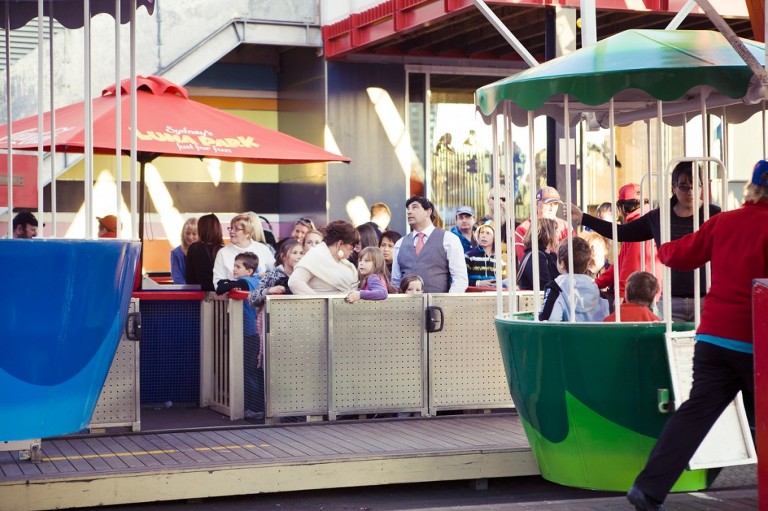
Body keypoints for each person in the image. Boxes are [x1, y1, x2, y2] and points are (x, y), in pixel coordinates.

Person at [627, 160, 768, 511]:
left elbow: (681, 254)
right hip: (756, 344)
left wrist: (662, 247)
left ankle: (647, 488)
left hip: (713, 340)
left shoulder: (723, 221)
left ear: (752, 188)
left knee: (693, 416)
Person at [571, 161, 721, 322]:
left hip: (706, 297)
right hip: (671, 300)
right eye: (684, 186)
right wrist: (584, 218)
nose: (691, 192)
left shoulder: (713, 213)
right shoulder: (659, 216)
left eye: (696, 185)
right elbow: (622, 233)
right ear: (673, 187)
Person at [593, 183, 662, 304]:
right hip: (649, 294)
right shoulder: (647, 222)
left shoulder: (636, 227)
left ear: (622, 208)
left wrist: (620, 294)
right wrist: (597, 283)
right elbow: (620, 263)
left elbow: (630, 264)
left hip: (639, 298)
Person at [391, 195, 468, 293]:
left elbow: (460, 279)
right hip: (407, 306)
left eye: (415, 207)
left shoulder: (449, 239)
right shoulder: (400, 243)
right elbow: (395, 282)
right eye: (408, 209)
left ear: (428, 212)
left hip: (439, 306)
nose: (409, 211)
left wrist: (447, 304)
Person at [248, 239, 304, 368]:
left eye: (301, 253)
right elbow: (252, 298)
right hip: (274, 329)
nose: (299, 256)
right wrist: (268, 290)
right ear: (284, 256)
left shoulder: (304, 275)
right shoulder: (272, 274)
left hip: (298, 328)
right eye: (295, 252)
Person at [539, 237, 609, 322]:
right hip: (594, 335)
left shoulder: (556, 288)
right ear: (587, 264)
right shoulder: (598, 293)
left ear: (561, 263)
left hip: (567, 334)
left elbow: (550, 320)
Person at [288, 220, 359, 294]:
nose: (353, 249)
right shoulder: (316, 255)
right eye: (352, 245)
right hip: (323, 305)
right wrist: (318, 302)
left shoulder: (345, 263)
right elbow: (295, 282)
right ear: (340, 243)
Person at [213, 213, 275, 289]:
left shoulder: (263, 249)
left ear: (247, 233)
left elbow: (274, 274)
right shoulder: (222, 252)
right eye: (231, 228)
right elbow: (217, 283)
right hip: (233, 299)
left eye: (236, 229)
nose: (231, 231)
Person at [514, 186, 573, 260]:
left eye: (555, 203)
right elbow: (525, 260)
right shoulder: (523, 229)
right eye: (548, 203)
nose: (552, 207)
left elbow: (574, 257)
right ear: (536, 204)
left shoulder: (566, 228)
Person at [517, 217, 559, 291]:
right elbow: (545, 286)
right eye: (555, 230)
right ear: (548, 233)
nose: (558, 234)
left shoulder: (552, 255)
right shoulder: (535, 257)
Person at [185, 213, 224, 292]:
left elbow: (190, 279)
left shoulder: (194, 248)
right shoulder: (224, 250)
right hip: (223, 298)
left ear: (201, 229)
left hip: (200, 297)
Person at [465, 222, 505, 288]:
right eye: (482, 232)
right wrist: (478, 283)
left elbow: (506, 280)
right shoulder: (469, 256)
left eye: (488, 233)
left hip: (495, 296)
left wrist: (501, 284)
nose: (483, 236)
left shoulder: (501, 258)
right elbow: (461, 279)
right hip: (474, 296)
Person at [170, 217, 198, 284]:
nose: (190, 237)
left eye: (194, 234)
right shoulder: (175, 253)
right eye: (187, 233)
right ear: (183, 233)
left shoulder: (204, 253)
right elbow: (177, 279)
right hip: (183, 292)